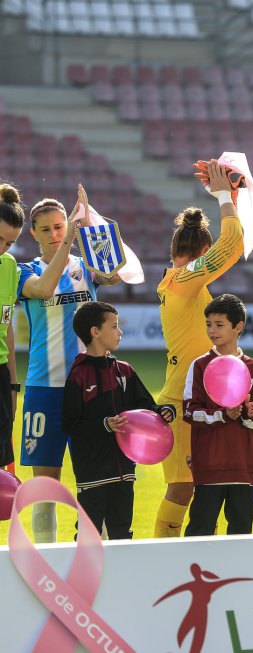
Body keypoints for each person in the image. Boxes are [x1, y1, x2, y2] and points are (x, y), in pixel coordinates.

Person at [18, 184, 120, 543]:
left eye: (60, 226)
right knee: (45, 490)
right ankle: (46, 567)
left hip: (90, 387)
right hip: (44, 388)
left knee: (95, 484)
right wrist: (68, 242)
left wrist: (90, 222)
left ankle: (99, 558)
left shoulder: (86, 267)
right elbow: (43, 289)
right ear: (33, 233)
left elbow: (115, 273)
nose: (54, 234)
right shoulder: (23, 271)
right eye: (45, 229)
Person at [155, 161, 245, 538]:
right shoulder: (183, 280)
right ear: (202, 250)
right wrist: (224, 196)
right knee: (182, 486)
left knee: (200, 487)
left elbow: (229, 244)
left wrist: (232, 199)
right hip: (180, 401)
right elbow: (233, 246)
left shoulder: (179, 280)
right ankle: (162, 556)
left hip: (200, 400)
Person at [62, 301, 176, 539]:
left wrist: (163, 411)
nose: (120, 332)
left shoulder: (124, 370)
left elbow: (146, 406)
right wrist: (104, 425)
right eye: (114, 326)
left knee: (122, 532)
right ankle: (81, 575)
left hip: (124, 470)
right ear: (95, 332)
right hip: (92, 472)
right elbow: (70, 423)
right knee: (88, 533)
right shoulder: (78, 374)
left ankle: (122, 576)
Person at [183, 295, 253, 536]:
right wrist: (223, 414)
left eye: (219, 324)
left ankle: (239, 575)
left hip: (244, 467)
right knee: (200, 531)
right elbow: (189, 411)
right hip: (209, 465)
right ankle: (194, 574)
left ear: (238, 327)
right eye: (208, 324)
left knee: (241, 534)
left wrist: (248, 414)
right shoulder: (199, 365)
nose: (212, 330)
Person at [0, 183, 25, 472]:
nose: (3, 248)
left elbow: (6, 327)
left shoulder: (9, 267)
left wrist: (12, 388)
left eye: (9, 243)